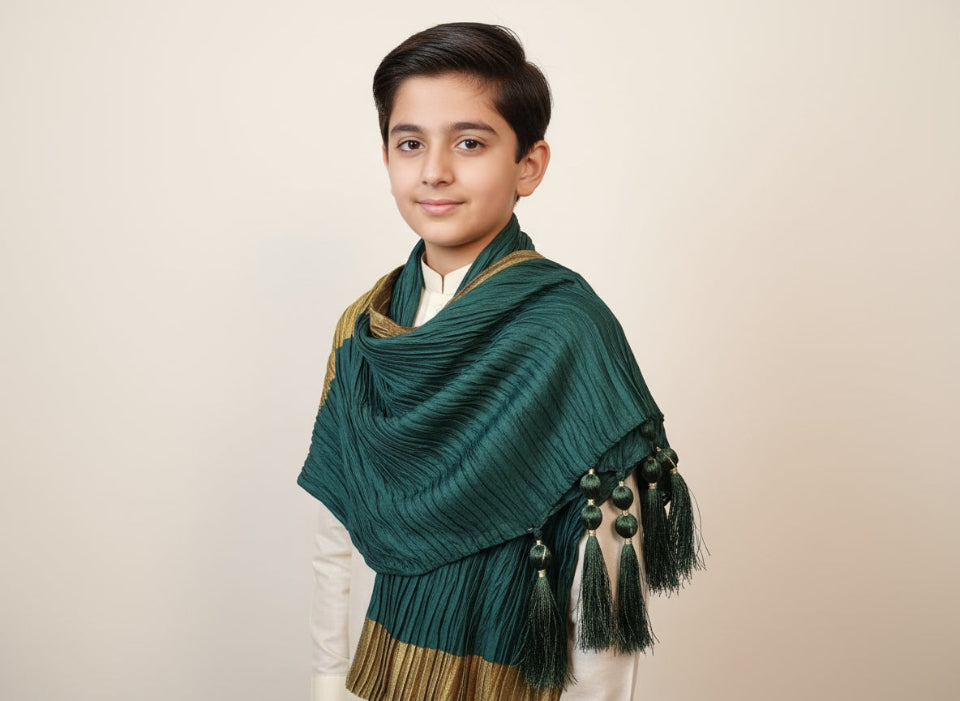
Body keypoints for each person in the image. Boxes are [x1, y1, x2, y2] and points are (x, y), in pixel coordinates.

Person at [298, 22, 704, 701]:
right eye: (410, 143)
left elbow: (600, 570)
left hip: (513, 674)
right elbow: (336, 528)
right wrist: (325, 677)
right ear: (387, 157)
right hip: (384, 670)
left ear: (529, 165)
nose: (434, 170)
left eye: (469, 142)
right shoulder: (363, 330)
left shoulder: (567, 331)